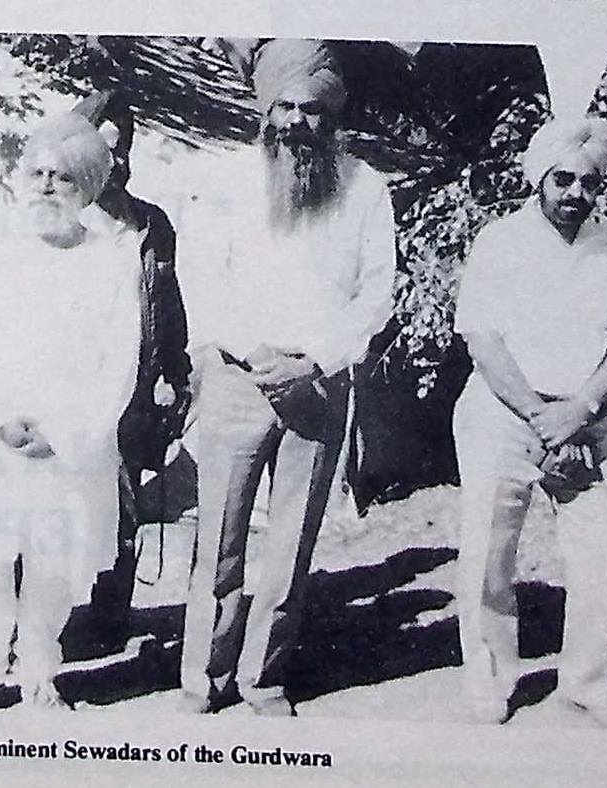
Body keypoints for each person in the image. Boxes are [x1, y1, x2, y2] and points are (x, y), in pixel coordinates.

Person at [177, 39, 397, 715]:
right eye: (286, 107)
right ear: (264, 108)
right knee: (219, 539)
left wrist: (313, 364)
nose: (298, 122)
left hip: (319, 383)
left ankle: (263, 678)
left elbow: (376, 292)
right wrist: (256, 355)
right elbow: (200, 275)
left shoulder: (365, 188)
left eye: (313, 110)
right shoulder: (224, 180)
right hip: (238, 379)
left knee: (291, 544)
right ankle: (201, 680)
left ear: (334, 116)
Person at [0, 112, 141, 709]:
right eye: (40, 173)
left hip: (66, 444)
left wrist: (68, 433)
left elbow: (118, 362)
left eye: (66, 178)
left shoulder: (109, 260)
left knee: (56, 562)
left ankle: (39, 676)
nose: (49, 186)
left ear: (88, 189)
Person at [452, 116, 607, 730]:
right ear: (539, 177)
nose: (575, 195)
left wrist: (582, 410)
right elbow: (482, 339)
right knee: (488, 551)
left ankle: (593, 688)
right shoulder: (499, 243)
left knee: (604, 551)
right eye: (563, 180)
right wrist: (540, 416)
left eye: (589, 184)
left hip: (582, 417)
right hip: (503, 412)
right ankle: (488, 685)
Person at [71, 90, 192, 649]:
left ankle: (108, 618)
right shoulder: (60, 227)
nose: (116, 164)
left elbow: (169, 304)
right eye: (105, 151)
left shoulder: (151, 225)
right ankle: (42, 624)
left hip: (134, 396)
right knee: (62, 508)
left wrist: (175, 371)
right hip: (72, 396)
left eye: (124, 151)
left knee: (124, 508)